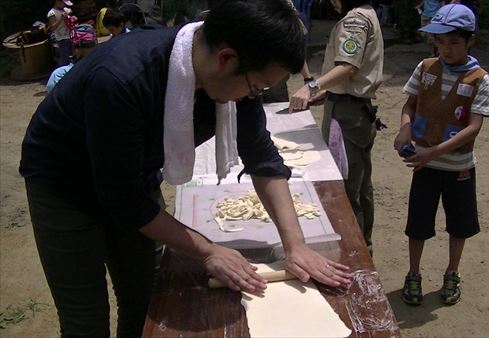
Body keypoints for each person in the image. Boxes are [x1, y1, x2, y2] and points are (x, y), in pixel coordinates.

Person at [20, 1, 352, 336]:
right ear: (226, 59)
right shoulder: (123, 78)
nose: (255, 95)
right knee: (85, 320)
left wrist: (295, 245)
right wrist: (208, 251)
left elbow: (261, 157)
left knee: (147, 297)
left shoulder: (232, 75)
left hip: (134, 178)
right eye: (257, 87)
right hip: (64, 184)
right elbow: (121, 199)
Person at [393, 3, 489, 305]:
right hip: (423, 166)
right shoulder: (425, 68)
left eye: (454, 42)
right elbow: (409, 105)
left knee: (459, 225)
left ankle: (452, 272)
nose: (446, 49)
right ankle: (413, 274)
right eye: (440, 42)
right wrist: (404, 129)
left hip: (459, 167)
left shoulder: (480, 79)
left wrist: (434, 152)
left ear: (470, 41)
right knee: (418, 224)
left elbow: (474, 127)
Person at [289, 0, 384, 254]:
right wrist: (328, 91)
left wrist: (312, 86)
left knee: (345, 187)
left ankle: (355, 252)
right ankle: (363, 245)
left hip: (347, 114)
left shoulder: (355, 20)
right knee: (359, 183)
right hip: (348, 105)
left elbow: (348, 67)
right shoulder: (365, 13)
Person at [48, 0, 73, 66]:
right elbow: (53, 28)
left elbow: (70, 10)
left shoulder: (64, 9)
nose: (65, 5)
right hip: (62, 39)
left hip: (70, 36)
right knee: (64, 59)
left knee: (73, 57)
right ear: (57, 2)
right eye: (63, 3)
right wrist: (61, 19)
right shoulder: (52, 13)